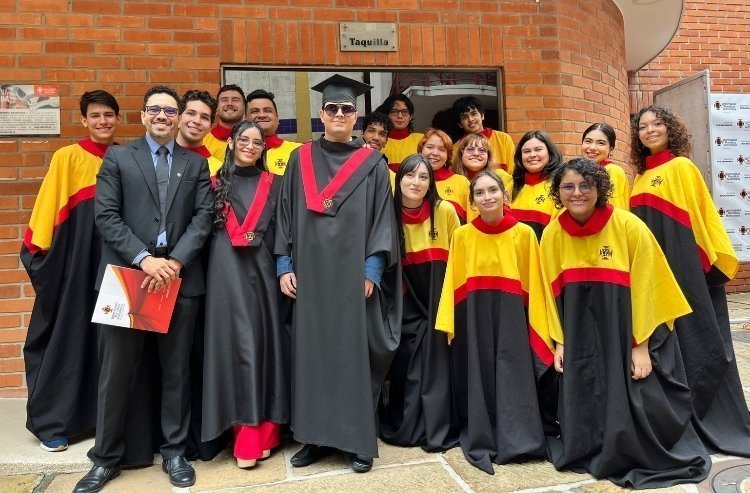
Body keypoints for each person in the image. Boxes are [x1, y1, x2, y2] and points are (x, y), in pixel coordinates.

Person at [73, 85, 213, 493]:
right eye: (156, 109)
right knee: (116, 372)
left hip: (177, 278)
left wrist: (173, 262)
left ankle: (173, 452)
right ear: (144, 115)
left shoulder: (196, 164)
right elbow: (106, 216)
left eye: (171, 111)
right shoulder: (119, 157)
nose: (164, 116)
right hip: (128, 277)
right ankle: (105, 458)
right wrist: (144, 259)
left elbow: (203, 218)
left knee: (176, 371)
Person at [541, 158, 710, 488]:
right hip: (578, 332)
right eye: (568, 187)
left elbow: (651, 286)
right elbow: (548, 293)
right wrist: (559, 341)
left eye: (586, 185)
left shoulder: (629, 226)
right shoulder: (552, 233)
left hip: (625, 329)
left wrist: (640, 345)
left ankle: (628, 446)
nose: (577, 193)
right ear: (558, 192)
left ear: (601, 188)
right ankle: (589, 443)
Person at [275, 74, 400, 474]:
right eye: (333, 109)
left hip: (351, 278)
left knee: (351, 356)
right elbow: (285, 217)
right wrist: (284, 265)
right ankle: (313, 437)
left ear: (356, 116)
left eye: (347, 109)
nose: (340, 114)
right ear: (321, 114)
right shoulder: (300, 159)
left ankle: (355, 439)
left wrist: (372, 270)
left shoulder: (374, 165)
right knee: (312, 355)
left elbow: (383, 220)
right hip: (309, 276)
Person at [630, 105, 750, 456]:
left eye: (658, 124)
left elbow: (701, 219)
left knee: (695, 340)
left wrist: (695, 273)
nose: (650, 130)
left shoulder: (682, 167)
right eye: (643, 126)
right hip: (654, 271)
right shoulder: (638, 178)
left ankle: (708, 416)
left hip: (684, 270)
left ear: (671, 129)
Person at [20, 90, 120, 453]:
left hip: (117, 267)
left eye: (109, 115)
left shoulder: (126, 157)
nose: (103, 122)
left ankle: (105, 420)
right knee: (69, 340)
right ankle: (55, 422)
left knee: (114, 347)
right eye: (95, 116)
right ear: (84, 120)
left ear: (117, 118)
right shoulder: (68, 158)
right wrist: (43, 259)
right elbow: (47, 215)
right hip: (77, 267)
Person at [435, 170, 553, 474]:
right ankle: (483, 433)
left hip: (513, 316)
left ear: (505, 195)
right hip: (473, 317)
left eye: (492, 191)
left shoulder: (524, 234)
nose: (487, 197)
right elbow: (453, 283)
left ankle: (519, 440)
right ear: (472, 201)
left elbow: (535, 287)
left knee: (512, 372)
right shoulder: (462, 235)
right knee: (479, 373)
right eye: (480, 193)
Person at [201, 120, 288, 469]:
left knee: (265, 348)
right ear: (232, 142)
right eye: (244, 140)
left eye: (257, 142)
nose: (251, 146)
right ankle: (245, 437)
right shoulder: (212, 185)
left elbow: (285, 233)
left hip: (265, 276)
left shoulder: (277, 185)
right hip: (225, 277)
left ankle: (267, 435)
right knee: (236, 350)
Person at [379, 154, 460, 452]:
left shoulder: (446, 211)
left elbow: (456, 262)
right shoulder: (387, 215)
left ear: (431, 183)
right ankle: (407, 426)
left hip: (440, 301)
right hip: (406, 303)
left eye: (423, 177)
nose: (416, 182)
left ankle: (438, 426)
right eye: (410, 176)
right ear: (399, 181)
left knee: (439, 367)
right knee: (408, 365)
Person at [509, 130, 563, 240]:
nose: (532, 155)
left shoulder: (560, 187)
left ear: (550, 153)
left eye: (538, 149)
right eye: (526, 151)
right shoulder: (510, 187)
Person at [452, 133, 513, 223]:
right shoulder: (452, 180)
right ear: (461, 153)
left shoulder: (503, 177)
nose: (476, 154)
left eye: (482, 150)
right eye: (470, 149)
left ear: (488, 156)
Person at [451, 96, 515, 175]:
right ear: (460, 124)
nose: (470, 119)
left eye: (473, 114)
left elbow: (513, 173)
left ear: (482, 116)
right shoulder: (456, 148)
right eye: (464, 117)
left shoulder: (504, 139)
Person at [417, 128, 470, 222]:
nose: (435, 153)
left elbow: (471, 221)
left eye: (441, 149)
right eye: (430, 147)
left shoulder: (461, 182)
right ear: (421, 150)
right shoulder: (412, 181)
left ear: (448, 156)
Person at [246, 89, 301, 176]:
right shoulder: (238, 154)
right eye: (255, 111)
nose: (261, 115)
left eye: (267, 110)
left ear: (277, 118)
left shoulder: (298, 151)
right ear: (245, 119)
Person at [580, 122, 630, 209]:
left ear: (611, 149)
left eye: (601, 143)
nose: (592, 147)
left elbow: (613, 211)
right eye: (588, 141)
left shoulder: (612, 171)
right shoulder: (578, 172)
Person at [175, 90, 223, 176]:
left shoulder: (219, 170)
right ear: (178, 118)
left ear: (210, 128)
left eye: (204, 117)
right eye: (191, 113)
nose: (197, 121)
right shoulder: (158, 158)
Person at [376, 94, 424, 172]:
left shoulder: (422, 140)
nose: (400, 116)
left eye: (405, 112)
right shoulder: (378, 141)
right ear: (387, 115)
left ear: (410, 116)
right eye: (394, 112)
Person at [203, 84, 245, 162]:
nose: (229, 103)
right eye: (224, 100)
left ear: (244, 107)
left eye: (235, 100)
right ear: (217, 108)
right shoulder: (203, 142)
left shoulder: (255, 142)